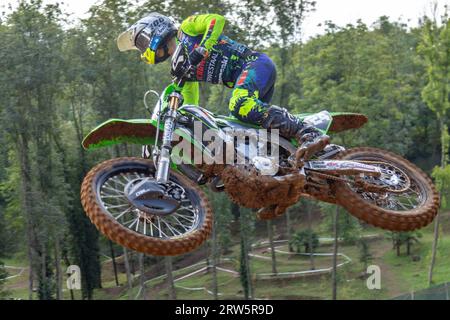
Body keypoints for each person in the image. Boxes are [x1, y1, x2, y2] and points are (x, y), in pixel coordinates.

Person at [117, 12, 329, 161]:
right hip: (247, 80)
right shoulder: (182, 69)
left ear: (156, 29)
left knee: (239, 104)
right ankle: (282, 173)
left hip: (255, 65)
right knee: (244, 133)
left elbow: (216, 20)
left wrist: (204, 47)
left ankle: (308, 132)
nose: (143, 50)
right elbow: (191, 105)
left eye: (142, 43)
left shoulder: (187, 29)